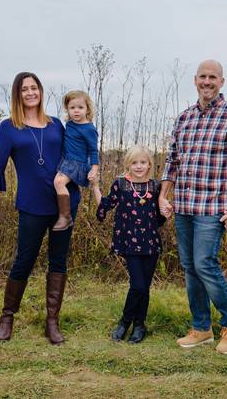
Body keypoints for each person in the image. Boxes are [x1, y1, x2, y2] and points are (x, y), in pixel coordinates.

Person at [0, 72, 80, 345]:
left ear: (41, 91)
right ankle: (7, 317)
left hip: (63, 205)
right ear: (17, 95)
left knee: (58, 261)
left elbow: (74, 157)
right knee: (24, 260)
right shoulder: (10, 127)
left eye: (34, 88)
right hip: (32, 205)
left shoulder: (56, 124)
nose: (30, 93)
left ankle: (52, 322)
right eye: (24, 89)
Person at [159, 59, 227, 354]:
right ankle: (201, 328)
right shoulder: (184, 118)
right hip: (184, 206)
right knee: (190, 268)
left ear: (222, 82)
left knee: (205, 264)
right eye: (203, 77)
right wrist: (164, 195)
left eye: (213, 77)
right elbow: (172, 160)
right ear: (195, 80)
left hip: (213, 207)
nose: (207, 82)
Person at [91, 145, 167, 344]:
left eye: (143, 162)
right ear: (128, 164)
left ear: (149, 165)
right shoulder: (121, 184)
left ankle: (139, 325)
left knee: (145, 287)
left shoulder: (155, 186)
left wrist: (166, 211)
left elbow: (159, 218)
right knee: (138, 285)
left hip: (150, 242)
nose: (139, 166)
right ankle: (125, 322)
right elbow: (105, 206)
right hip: (129, 242)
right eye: (135, 163)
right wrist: (95, 187)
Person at [53, 90, 99, 231]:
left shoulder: (89, 129)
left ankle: (65, 217)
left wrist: (94, 168)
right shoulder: (70, 124)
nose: (76, 111)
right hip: (66, 161)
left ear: (87, 109)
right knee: (58, 182)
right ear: (67, 109)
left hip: (77, 164)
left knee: (59, 182)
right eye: (72, 108)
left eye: (80, 107)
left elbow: (93, 150)